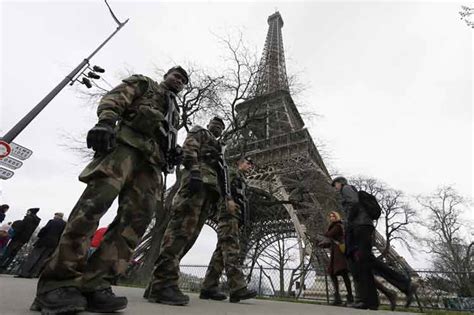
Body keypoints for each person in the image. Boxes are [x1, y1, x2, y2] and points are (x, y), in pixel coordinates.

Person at [32, 66, 188, 315]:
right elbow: (116, 98)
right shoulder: (145, 84)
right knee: (93, 207)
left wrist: (174, 150)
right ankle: (59, 283)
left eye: (183, 80)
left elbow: (165, 135)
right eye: (176, 76)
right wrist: (106, 122)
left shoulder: (174, 113)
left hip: (152, 164)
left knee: (136, 222)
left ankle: (97, 283)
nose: (179, 81)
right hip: (124, 147)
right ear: (166, 76)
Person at [147, 116, 251, 306]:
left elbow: (222, 175)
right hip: (196, 185)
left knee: (190, 236)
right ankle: (162, 283)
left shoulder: (219, 149)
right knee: (180, 231)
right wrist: (194, 171)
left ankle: (158, 281)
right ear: (209, 124)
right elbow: (189, 149)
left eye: (221, 126)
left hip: (209, 192)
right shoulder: (200, 132)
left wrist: (225, 197)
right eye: (215, 124)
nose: (218, 128)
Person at [332, 177, 418, 310]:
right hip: (361, 227)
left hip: (360, 227)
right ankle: (371, 302)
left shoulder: (347, 188)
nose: (335, 187)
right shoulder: (349, 192)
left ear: (340, 183)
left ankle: (405, 284)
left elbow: (354, 202)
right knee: (364, 263)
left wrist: (349, 220)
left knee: (366, 260)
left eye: (335, 184)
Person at [200, 156, 257, 303]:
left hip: (235, 216)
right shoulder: (230, 173)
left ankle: (208, 287)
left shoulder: (242, 180)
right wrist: (228, 201)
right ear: (239, 163)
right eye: (248, 162)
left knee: (221, 252)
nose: (250, 166)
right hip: (228, 213)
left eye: (252, 165)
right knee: (231, 248)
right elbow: (222, 187)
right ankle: (237, 287)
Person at [317, 211, 353, 306]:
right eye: (330, 216)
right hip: (335, 254)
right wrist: (323, 244)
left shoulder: (337, 226)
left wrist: (323, 234)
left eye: (333, 216)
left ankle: (348, 297)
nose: (331, 218)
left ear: (337, 217)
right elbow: (332, 241)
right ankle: (339, 297)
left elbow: (328, 235)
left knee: (343, 274)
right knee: (333, 274)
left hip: (339, 255)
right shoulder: (334, 226)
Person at [17, 212, 66, 278]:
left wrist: (40, 235)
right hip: (53, 243)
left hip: (44, 240)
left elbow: (45, 229)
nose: (54, 217)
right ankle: (33, 273)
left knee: (34, 256)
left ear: (58, 216)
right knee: (42, 259)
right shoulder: (64, 224)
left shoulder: (52, 221)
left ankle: (24, 273)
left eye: (55, 215)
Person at [0, 208, 41, 272]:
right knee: (13, 254)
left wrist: (14, 235)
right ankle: (4, 267)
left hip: (18, 238)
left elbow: (21, 228)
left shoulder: (28, 218)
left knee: (8, 252)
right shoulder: (36, 221)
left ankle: (1, 264)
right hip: (24, 239)